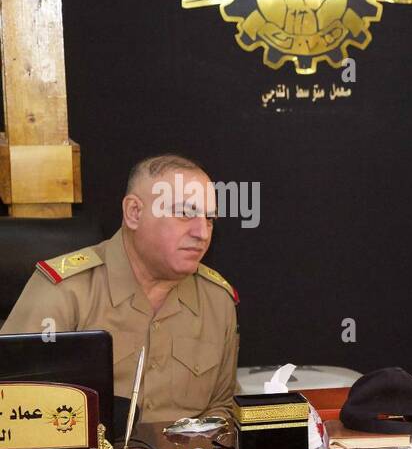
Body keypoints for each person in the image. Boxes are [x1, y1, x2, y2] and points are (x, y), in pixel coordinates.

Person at [2, 154, 239, 427]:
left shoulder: (217, 300)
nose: (202, 232)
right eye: (185, 213)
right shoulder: (66, 292)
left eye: (209, 218)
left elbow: (221, 407)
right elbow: (12, 406)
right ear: (134, 213)